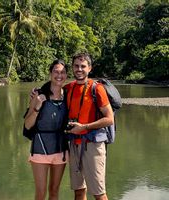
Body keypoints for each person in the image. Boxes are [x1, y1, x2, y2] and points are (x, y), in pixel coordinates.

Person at [64, 52, 114, 200]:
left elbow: (109, 119)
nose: (79, 69)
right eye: (76, 66)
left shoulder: (96, 88)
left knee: (99, 193)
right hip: (74, 144)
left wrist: (84, 127)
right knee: (79, 191)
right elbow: (51, 92)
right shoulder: (68, 88)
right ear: (72, 68)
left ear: (90, 68)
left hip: (93, 145)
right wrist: (36, 93)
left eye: (83, 66)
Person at [24, 59, 69, 200]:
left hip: (60, 149)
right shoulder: (38, 94)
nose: (59, 75)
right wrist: (37, 106)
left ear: (67, 75)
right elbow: (27, 125)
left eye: (62, 72)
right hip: (40, 148)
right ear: (50, 73)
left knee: (54, 191)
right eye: (56, 71)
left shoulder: (68, 95)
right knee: (41, 193)